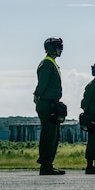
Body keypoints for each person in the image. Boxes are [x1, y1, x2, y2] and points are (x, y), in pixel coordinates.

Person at [34, 37, 66, 175]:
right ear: (51, 48)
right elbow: (42, 84)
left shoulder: (52, 63)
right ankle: (45, 165)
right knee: (48, 135)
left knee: (53, 135)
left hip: (51, 103)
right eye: (58, 46)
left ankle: (49, 164)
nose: (60, 49)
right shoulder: (47, 64)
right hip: (47, 103)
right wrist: (38, 96)